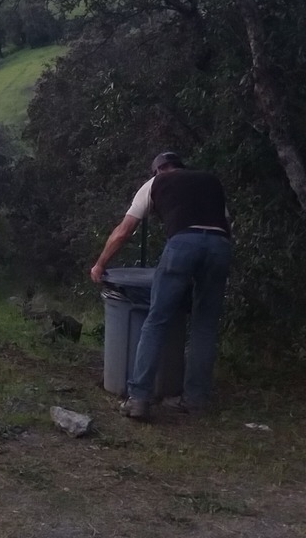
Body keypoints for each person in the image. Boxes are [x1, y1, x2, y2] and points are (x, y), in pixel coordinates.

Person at [89, 151, 233, 420]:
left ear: (158, 170)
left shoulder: (155, 183)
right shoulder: (211, 182)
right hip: (220, 246)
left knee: (156, 320)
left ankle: (139, 398)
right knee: (204, 326)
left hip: (182, 245)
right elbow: (225, 225)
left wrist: (100, 264)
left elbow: (123, 231)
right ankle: (195, 400)